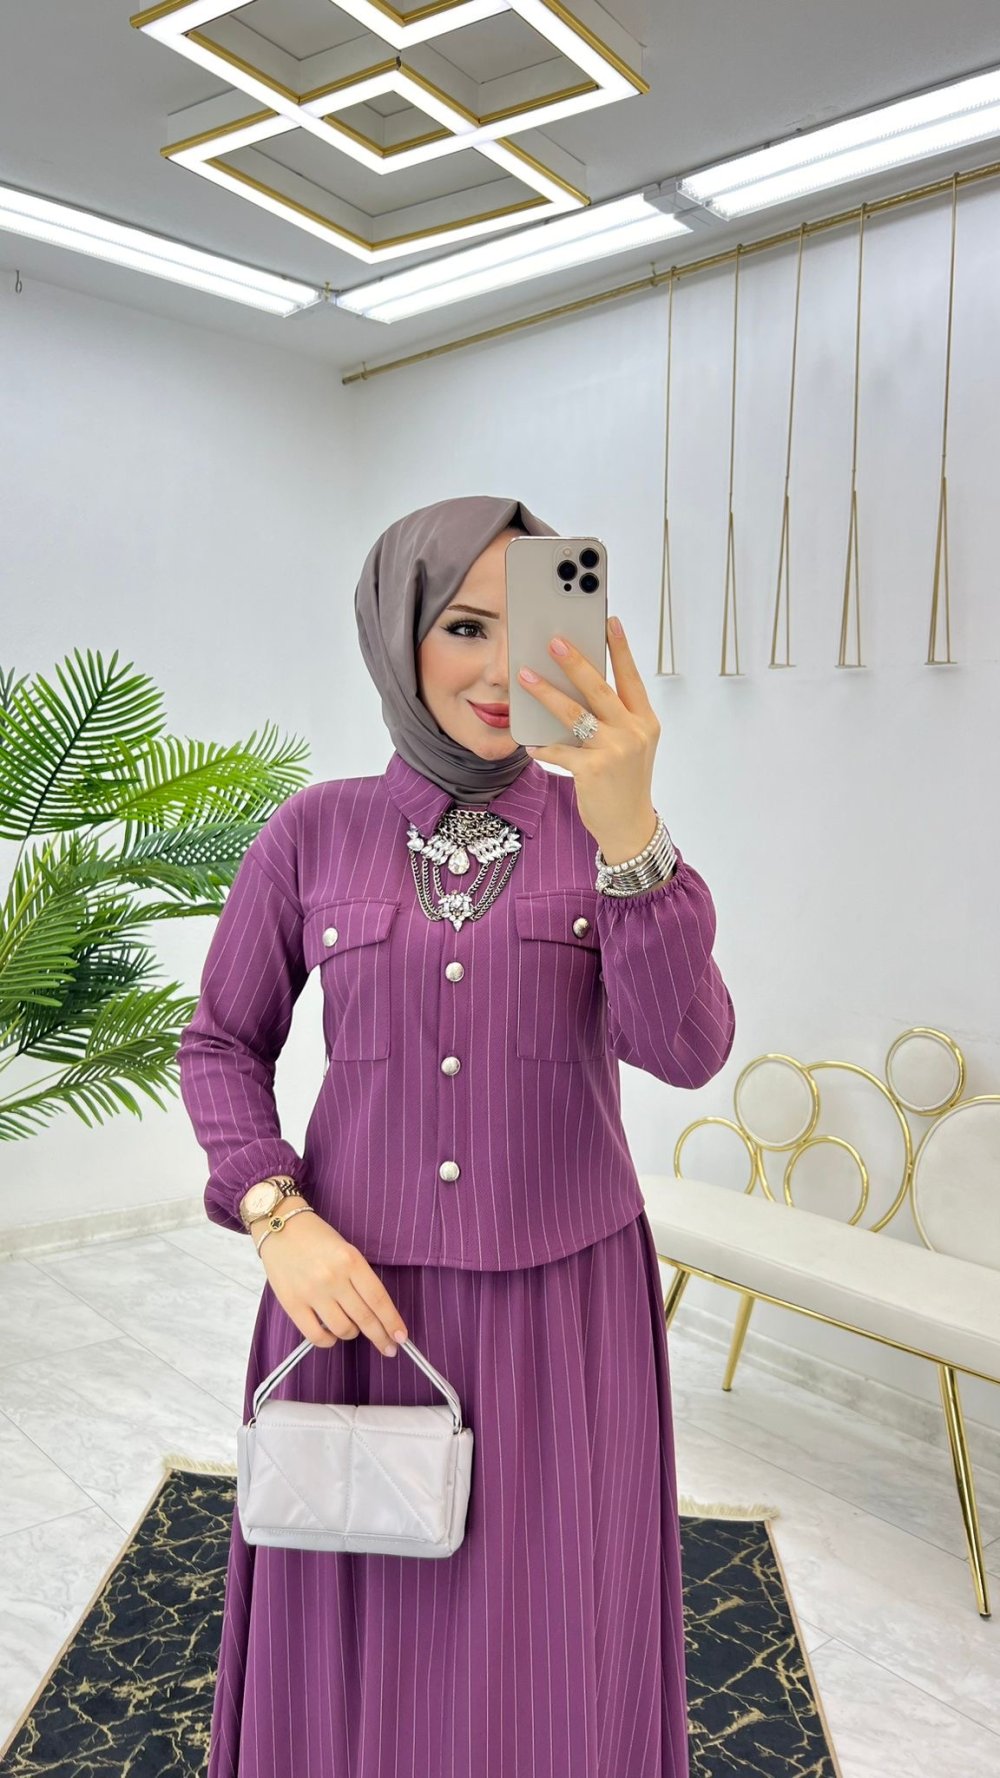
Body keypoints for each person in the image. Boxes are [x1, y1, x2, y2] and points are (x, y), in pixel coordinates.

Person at [177, 494, 736, 1778]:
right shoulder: (312, 831)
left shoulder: (607, 833)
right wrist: (275, 1211)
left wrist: (630, 829)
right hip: (353, 1309)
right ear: (398, 633)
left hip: (564, 1316)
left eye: (526, 623)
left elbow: (687, 1047)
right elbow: (220, 1041)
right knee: (357, 1632)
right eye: (464, 625)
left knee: (549, 1636)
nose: (499, 668)